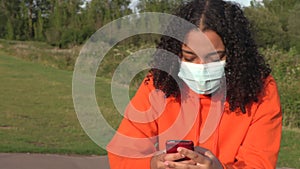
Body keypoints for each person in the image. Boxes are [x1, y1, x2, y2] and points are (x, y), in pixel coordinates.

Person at [107, 0, 282, 168]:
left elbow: (259, 163)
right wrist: (151, 164)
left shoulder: (262, 90)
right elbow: (123, 152)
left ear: (236, 54)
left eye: (215, 57)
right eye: (190, 57)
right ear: (176, 52)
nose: (201, 67)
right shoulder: (160, 82)